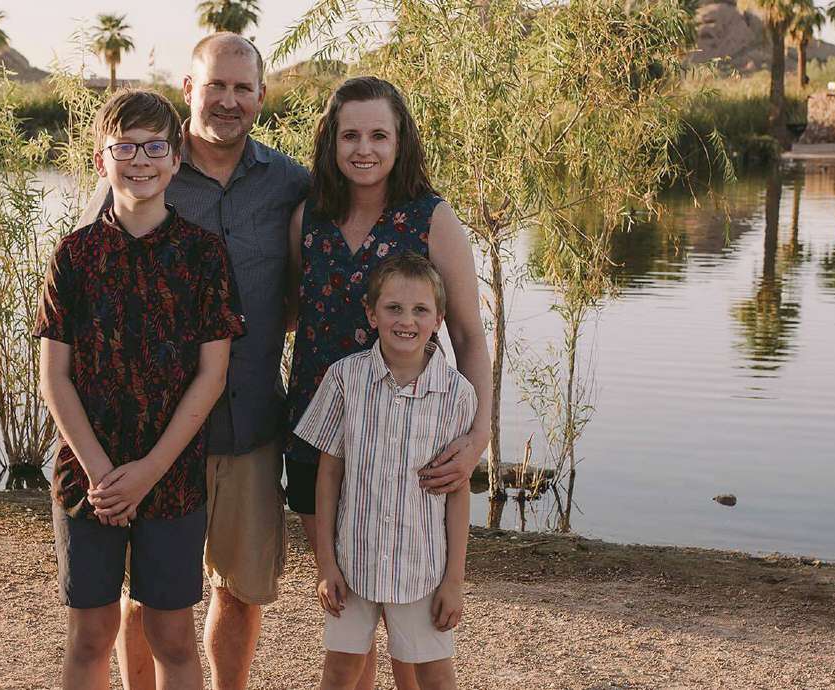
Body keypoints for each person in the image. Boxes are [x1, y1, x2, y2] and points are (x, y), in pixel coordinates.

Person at [80, 33, 311, 690]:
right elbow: (84, 294)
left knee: (240, 591)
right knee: (148, 594)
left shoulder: (291, 184)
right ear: (189, 89)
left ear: (262, 96)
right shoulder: (148, 168)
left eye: (243, 88)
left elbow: (303, 288)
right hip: (155, 436)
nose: (229, 101)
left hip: (250, 429)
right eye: (216, 85)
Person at [284, 76, 493, 689]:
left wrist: (478, 434)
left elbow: (470, 337)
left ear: (401, 141)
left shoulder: (432, 219)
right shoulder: (309, 219)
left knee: (412, 636)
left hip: (411, 442)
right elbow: (292, 314)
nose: (364, 148)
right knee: (348, 600)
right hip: (323, 436)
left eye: (379, 134)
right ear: (330, 142)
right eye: (350, 134)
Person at [35, 89, 245, 690]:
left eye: (155, 146)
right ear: (101, 161)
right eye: (123, 147)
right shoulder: (74, 255)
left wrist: (150, 470)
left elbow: (213, 376)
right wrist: (102, 473)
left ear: (176, 160)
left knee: (172, 636)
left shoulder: (204, 256)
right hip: (86, 476)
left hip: (172, 475)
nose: (140, 160)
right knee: (91, 635)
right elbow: (54, 375)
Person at [296, 253, 474, 690]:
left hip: (422, 568)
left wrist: (454, 580)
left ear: (439, 319)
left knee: (432, 675)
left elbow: (458, 492)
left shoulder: (456, 395)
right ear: (371, 314)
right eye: (393, 308)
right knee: (340, 671)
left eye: (420, 310)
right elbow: (328, 476)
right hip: (352, 561)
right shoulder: (344, 380)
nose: (406, 321)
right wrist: (326, 565)